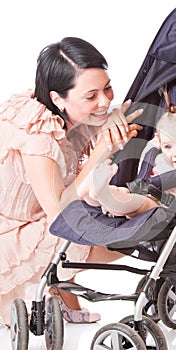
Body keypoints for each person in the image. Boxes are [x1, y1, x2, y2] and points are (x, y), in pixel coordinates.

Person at [0, 37, 144, 326]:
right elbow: (59, 215)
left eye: (107, 88)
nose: (104, 100)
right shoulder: (37, 136)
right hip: (13, 230)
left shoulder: (59, 112)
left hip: (37, 213)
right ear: (57, 98)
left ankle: (63, 293)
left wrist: (111, 117)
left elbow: (102, 117)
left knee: (107, 207)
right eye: (91, 96)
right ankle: (58, 289)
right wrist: (101, 149)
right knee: (112, 234)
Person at [85, 105, 176, 217]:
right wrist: (153, 144)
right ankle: (96, 194)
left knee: (136, 203)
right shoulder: (157, 156)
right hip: (136, 191)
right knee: (120, 193)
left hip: (160, 207)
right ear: (160, 143)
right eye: (168, 146)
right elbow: (146, 158)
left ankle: (104, 196)